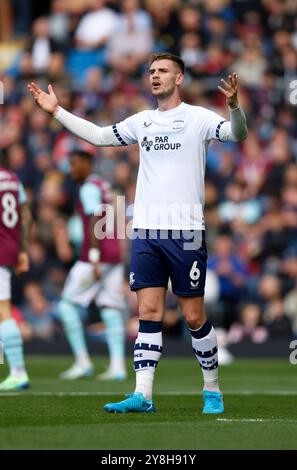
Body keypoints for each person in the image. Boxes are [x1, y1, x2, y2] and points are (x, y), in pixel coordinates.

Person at [27, 52, 248, 413]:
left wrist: (235, 107)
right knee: (147, 310)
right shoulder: (142, 122)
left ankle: (212, 389)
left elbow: (237, 135)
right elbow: (99, 137)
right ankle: (142, 394)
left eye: (162, 71)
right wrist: (56, 112)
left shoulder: (198, 118)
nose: (155, 76)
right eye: (151, 72)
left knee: (193, 315)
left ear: (179, 78)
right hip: (146, 231)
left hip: (186, 230)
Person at [56, 149, 126, 381]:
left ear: (87, 164)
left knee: (67, 305)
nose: (71, 169)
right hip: (113, 255)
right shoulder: (104, 185)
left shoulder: (88, 187)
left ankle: (83, 362)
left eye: (75, 163)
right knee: (110, 307)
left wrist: (95, 256)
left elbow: (95, 218)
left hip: (96, 257)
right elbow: (116, 215)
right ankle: (117, 367)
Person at [0, 155, 31, 391]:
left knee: (3, 309)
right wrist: (22, 249)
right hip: (10, 245)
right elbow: (26, 216)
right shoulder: (13, 178)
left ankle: (18, 371)